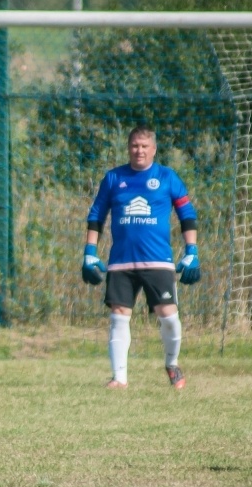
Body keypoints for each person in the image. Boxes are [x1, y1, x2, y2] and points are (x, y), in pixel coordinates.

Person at [81, 125, 200, 390]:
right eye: (135, 145)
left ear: (154, 149)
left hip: (158, 261)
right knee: (119, 315)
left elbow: (187, 215)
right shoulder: (114, 178)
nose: (139, 150)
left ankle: (172, 364)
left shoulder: (167, 177)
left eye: (145, 146)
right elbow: (96, 215)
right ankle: (119, 378)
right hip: (121, 261)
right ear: (128, 148)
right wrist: (90, 251)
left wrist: (191, 250)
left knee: (168, 316)